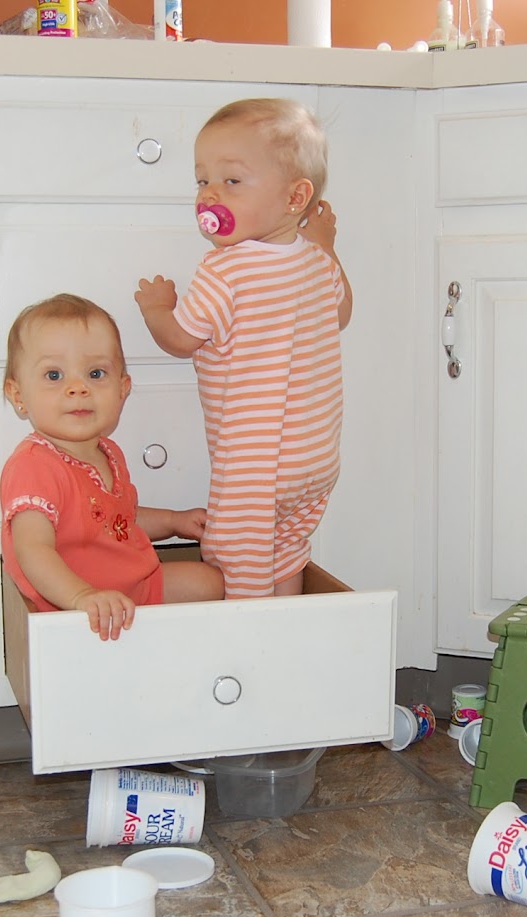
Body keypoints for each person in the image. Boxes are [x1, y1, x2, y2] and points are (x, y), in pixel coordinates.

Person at [135, 97, 353, 599]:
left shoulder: (226, 270)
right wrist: (328, 246)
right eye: (202, 181)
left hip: (258, 462)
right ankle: (288, 625)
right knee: (287, 548)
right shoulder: (317, 262)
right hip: (316, 457)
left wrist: (157, 309)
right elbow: (341, 313)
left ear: (295, 197)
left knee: (238, 563)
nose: (210, 194)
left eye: (231, 180)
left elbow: (181, 338)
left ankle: (248, 639)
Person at [0, 293, 222, 640]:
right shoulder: (34, 466)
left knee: (210, 583)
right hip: (73, 607)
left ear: (122, 389)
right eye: (54, 375)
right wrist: (82, 596)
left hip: (133, 586)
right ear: (18, 396)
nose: (78, 388)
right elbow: (32, 550)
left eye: (95, 373)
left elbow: (119, 521)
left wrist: (175, 521)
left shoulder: (108, 453)